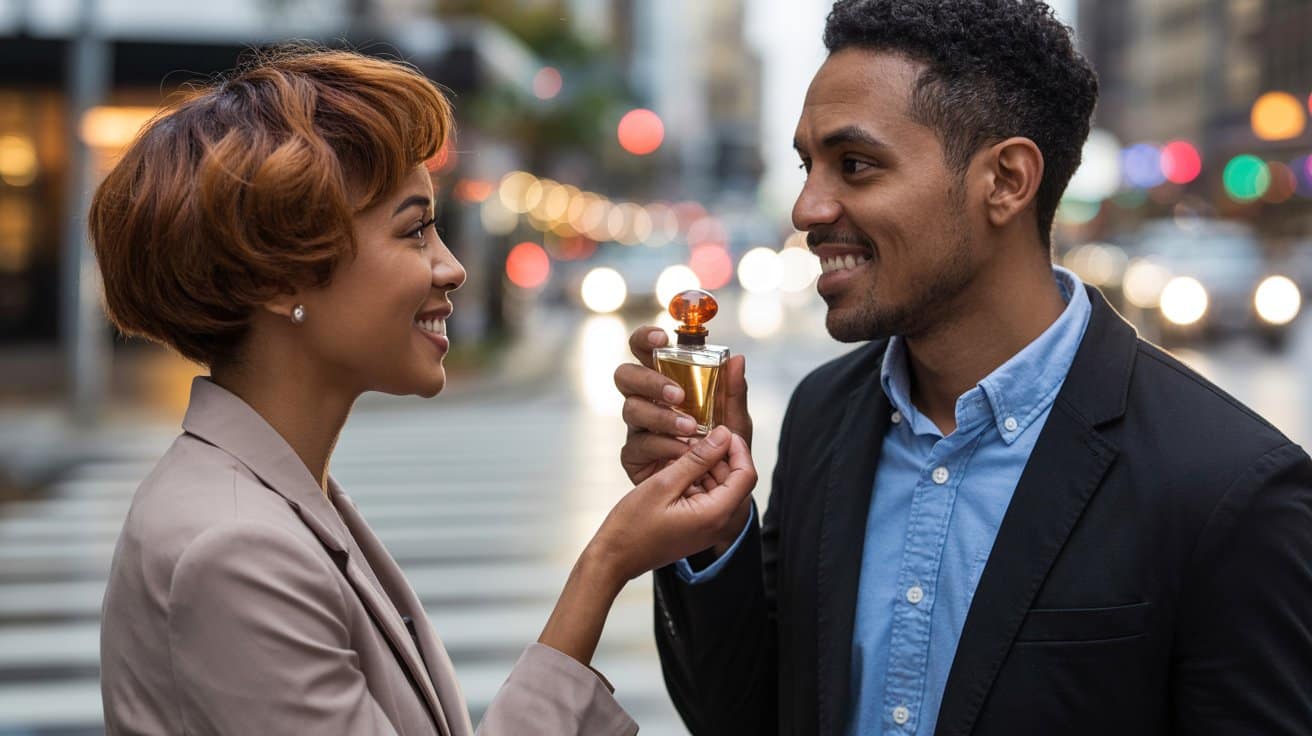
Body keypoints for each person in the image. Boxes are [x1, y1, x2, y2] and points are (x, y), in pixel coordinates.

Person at [615, 1, 1312, 734]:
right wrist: (712, 526)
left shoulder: (1230, 487)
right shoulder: (825, 415)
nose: (807, 207)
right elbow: (749, 715)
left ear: (1007, 180)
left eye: (854, 165)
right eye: (807, 166)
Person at [93, 46, 757, 736]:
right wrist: (606, 564)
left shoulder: (275, 494)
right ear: (277, 278)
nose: (451, 267)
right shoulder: (231, 549)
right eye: (414, 231)